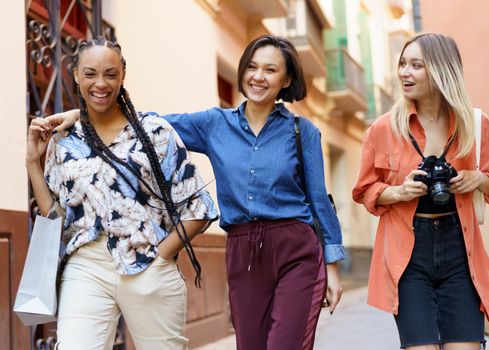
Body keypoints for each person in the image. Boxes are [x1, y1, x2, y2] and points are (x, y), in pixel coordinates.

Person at [48, 34, 345, 350]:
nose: (259, 77)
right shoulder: (214, 123)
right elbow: (142, 125)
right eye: (252, 67)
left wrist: (332, 267)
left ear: (286, 79)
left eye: (270, 70)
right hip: (243, 250)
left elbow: (318, 200)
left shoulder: (303, 131)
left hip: (295, 247)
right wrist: (81, 116)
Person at [26, 37, 217, 350]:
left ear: (123, 75)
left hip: (148, 264)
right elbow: (57, 218)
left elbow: (198, 208)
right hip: (86, 268)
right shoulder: (64, 140)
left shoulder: (155, 132)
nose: (100, 83)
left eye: (110, 74)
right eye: (90, 74)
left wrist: (160, 257)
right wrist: (33, 163)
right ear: (74, 74)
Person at [352, 33, 489, 350]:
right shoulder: (384, 128)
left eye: (416, 65)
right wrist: (399, 192)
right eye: (403, 64)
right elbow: (365, 190)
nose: (404, 73)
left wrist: (477, 178)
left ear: (441, 70)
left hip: (460, 252)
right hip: (409, 255)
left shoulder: (475, 125)